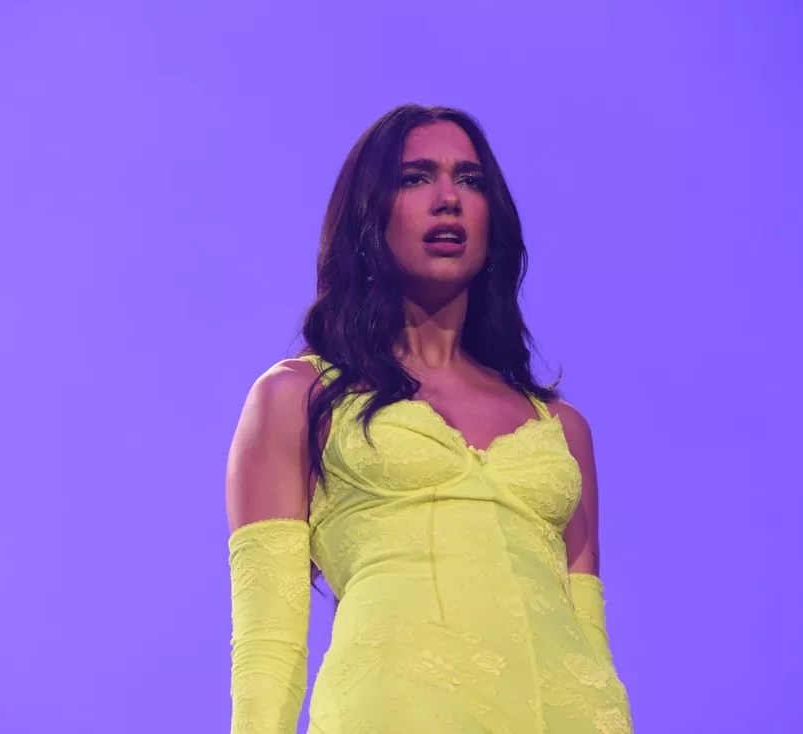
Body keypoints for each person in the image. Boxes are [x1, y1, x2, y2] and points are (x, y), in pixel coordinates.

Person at [225, 104, 633, 733]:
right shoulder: (298, 395)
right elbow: (268, 648)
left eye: (470, 180)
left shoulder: (560, 429)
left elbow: (588, 633)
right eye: (415, 177)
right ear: (368, 214)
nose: (449, 199)